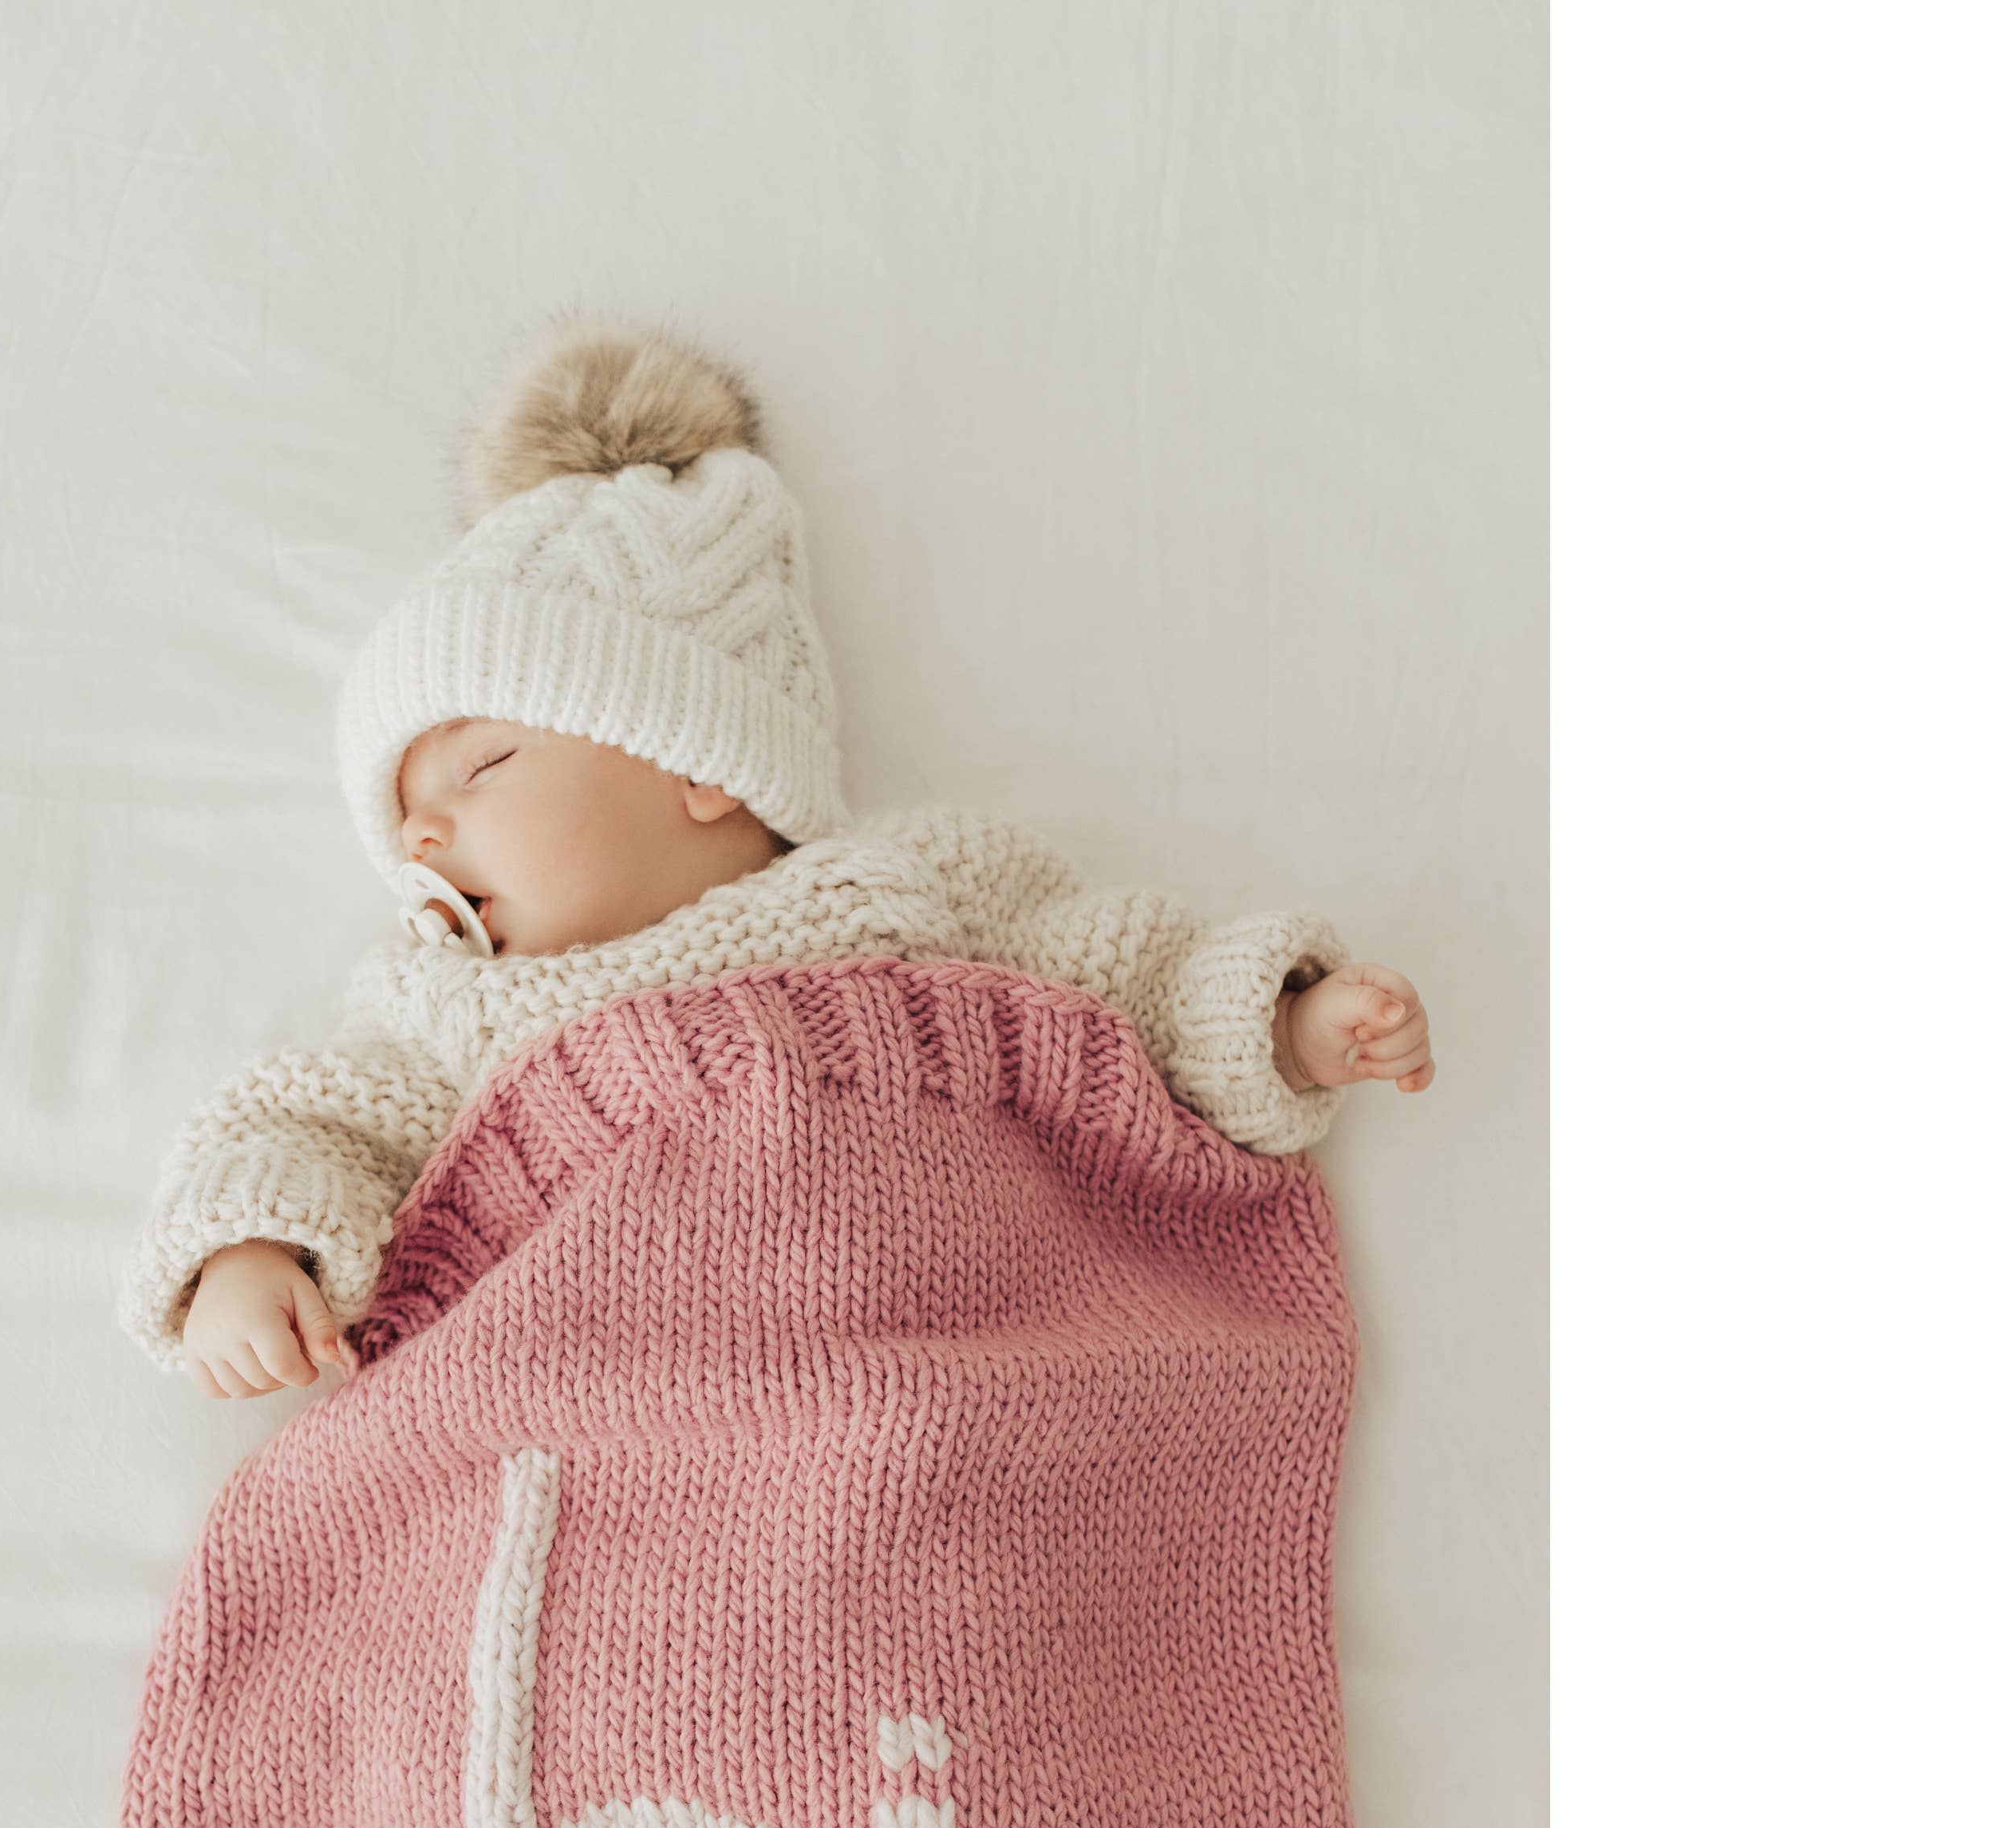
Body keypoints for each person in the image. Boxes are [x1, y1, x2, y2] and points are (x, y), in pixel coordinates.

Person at [117, 321, 1434, 1400]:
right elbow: (314, 1123)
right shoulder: (454, 1011)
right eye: (403, 813)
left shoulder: (906, 892)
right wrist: (252, 1252)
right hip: (608, 1406)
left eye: (484, 766)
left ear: (703, 765)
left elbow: (1121, 980)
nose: (420, 838)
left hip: (929, 1362)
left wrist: (1283, 1025)